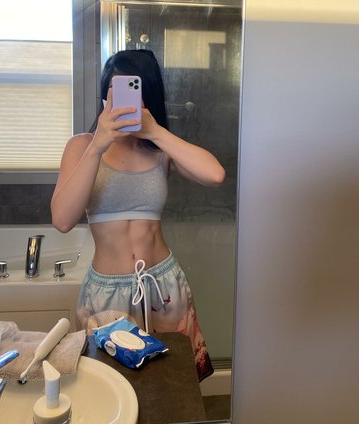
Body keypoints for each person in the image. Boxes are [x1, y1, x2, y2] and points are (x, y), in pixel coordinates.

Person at [51, 49, 225, 381]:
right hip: (106, 295)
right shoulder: (83, 146)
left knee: (171, 385)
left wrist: (155, 131)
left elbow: (215, 175)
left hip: (164, 286)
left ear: (149, 97)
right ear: (106, 96)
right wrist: (98, 144)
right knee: (111, 389)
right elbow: (62, 219)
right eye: (116, 90)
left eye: (136, 91)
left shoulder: (160, 149)